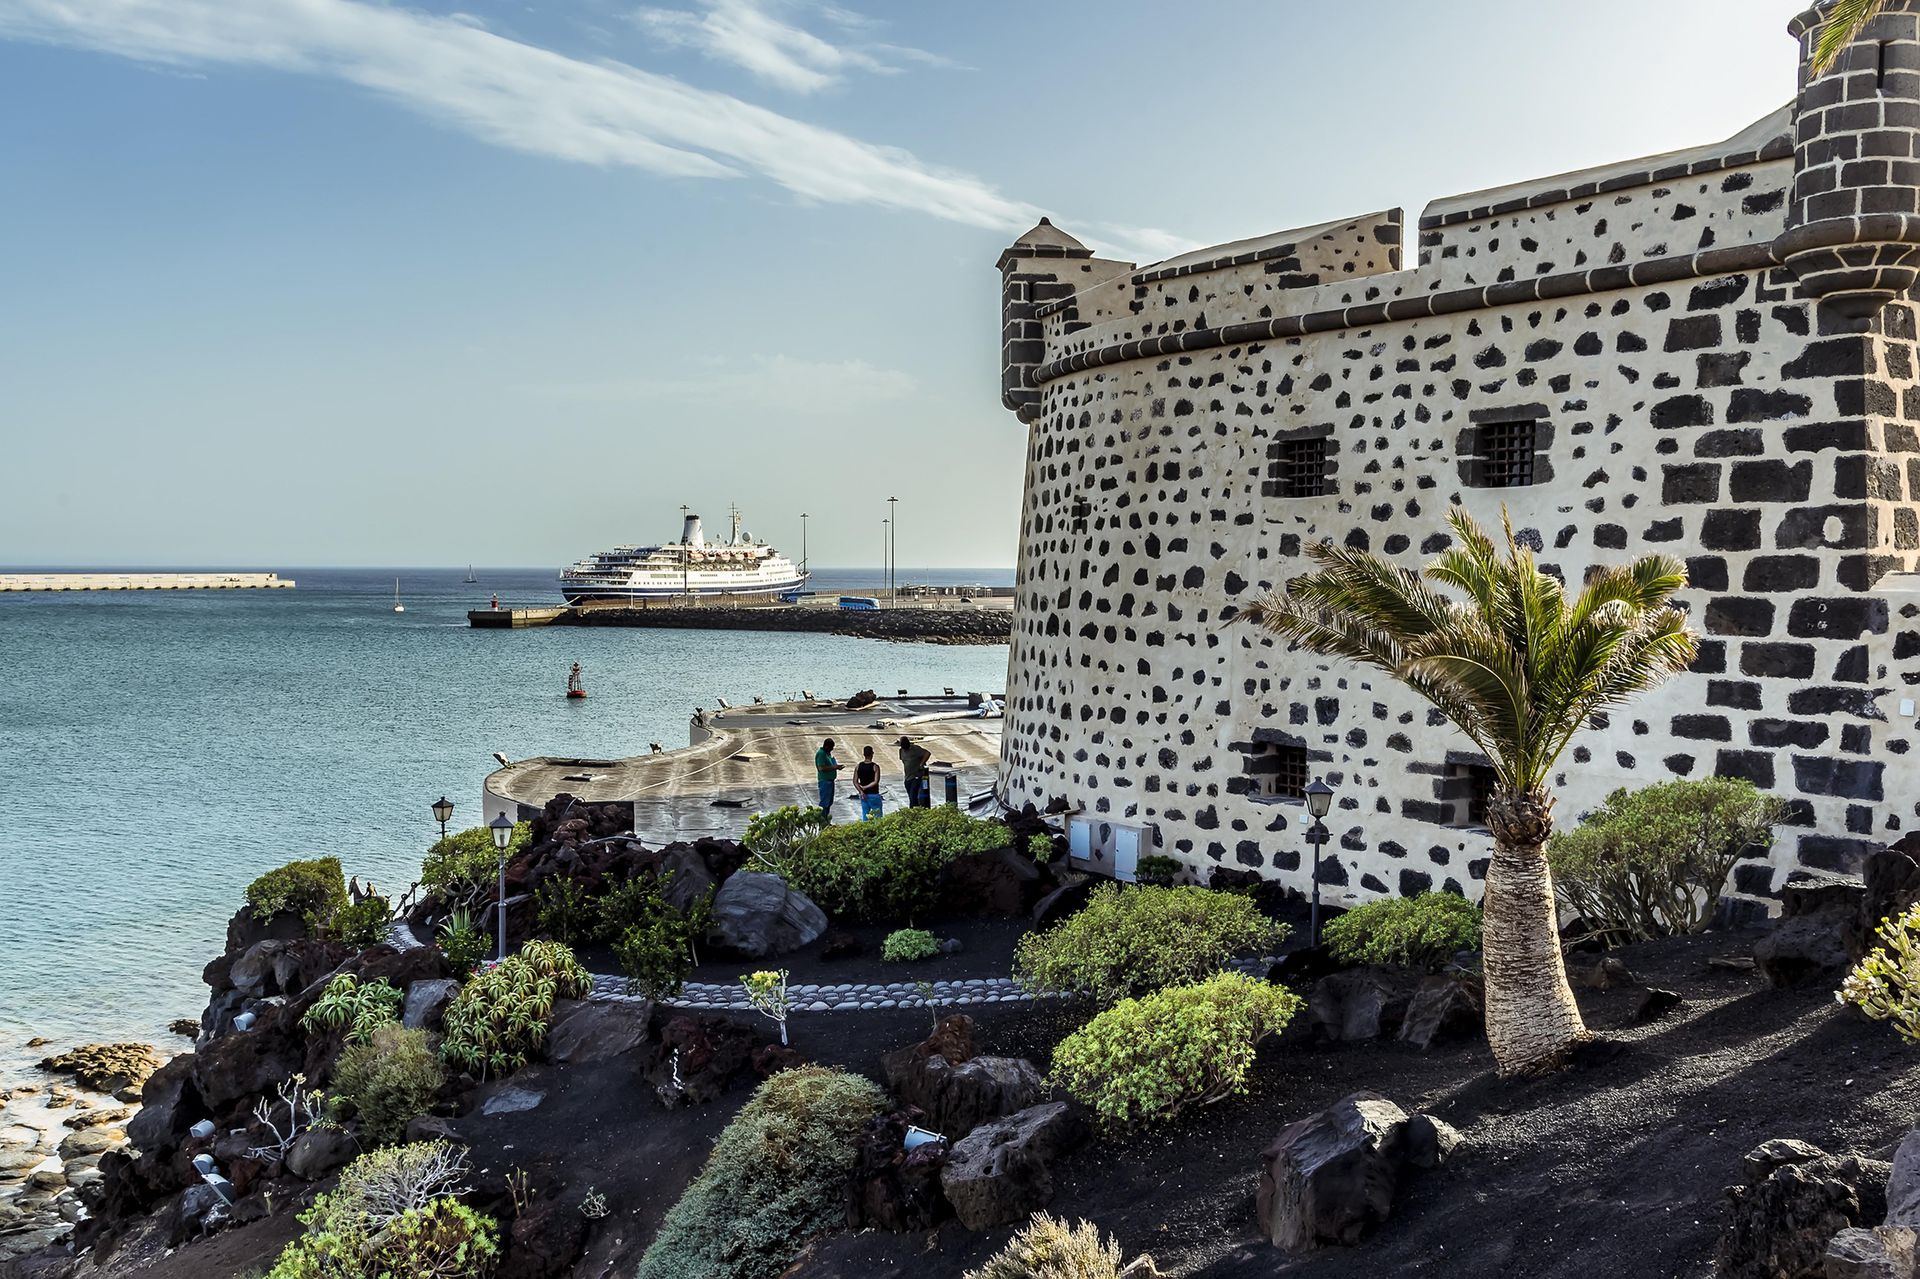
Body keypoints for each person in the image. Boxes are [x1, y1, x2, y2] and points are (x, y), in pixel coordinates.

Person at [898, 735, 932, 808]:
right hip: (908, 777)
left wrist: (921, 763)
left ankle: (914, 809)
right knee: (910, 796)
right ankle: (914, 808)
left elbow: (927, 753)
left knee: (913, 795)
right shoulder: (901, 751)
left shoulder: (915, 749)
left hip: (916, 775)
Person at [814, 737, 841, 821]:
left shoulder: (827, 754)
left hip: (830, 781)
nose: (832, 749)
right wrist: (834, 767)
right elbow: (821, 768)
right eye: (831, 747)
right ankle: (822, 820)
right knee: (825, 802)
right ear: (826, 746)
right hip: (825, 781)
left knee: (829, 802)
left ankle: (826, 820)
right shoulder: (821, 754)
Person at [854, 745, 883, 821]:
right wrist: (865, 787)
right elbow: (876, 781)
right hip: (874, 794)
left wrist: (861, 791)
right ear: (872, 754)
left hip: (863, 795)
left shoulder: (858, 766)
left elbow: (855, 781)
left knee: (865, 816)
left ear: (864, 754)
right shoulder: (875, 767)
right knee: (878, 817)